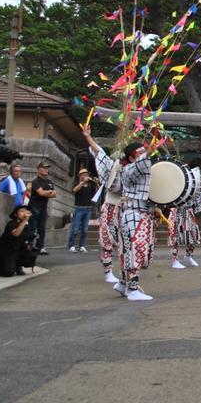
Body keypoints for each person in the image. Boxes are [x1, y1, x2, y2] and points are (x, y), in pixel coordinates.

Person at [82, 126, 156, 302]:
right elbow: (137, 164)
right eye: (141, 152)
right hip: (134, 215)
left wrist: (88, 137)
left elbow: (100, 154)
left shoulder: (129, 168)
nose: (145, 154)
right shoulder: (131, 169)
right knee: (134, 250)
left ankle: (123, 283)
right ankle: (132, 288)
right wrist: (148, 153)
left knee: (126, 250)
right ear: (132, 157)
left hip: (129, 213)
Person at [169, 172, 201, 269]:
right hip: (176, 211)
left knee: (193, 236)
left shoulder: (192, 183)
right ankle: (174, 260)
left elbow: (200, 190)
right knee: (175, 238)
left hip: (189, 212)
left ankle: (189, 255)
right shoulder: (173, 183)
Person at [0, 205, 38, 277]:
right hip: (8, 251)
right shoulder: (11, 224)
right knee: (7, 273)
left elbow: (27, 239)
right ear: (15, 214)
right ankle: (3, 264)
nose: (24, 213)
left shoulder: (26, 227)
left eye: (26, 212)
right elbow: (16, 234)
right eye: (21, 211)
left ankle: (18, 265)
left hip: (18, 250)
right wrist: (25, 221)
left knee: (32, 254)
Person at [28, 161, 57, 255]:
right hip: (33, 207)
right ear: (39, 169)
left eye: (47, 168)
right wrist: (49, 192)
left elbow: (55, 194)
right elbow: (41, 193)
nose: (46, 170)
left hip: (43, 208)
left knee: (42, 228)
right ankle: (30, 246)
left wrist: (46, 192)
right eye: (44, 168)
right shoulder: (35, 181)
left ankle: (40, 247)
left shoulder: (49, 182)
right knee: (32, 229)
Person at [67, 169, 98, 253]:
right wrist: (82, 183)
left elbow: (97, 192)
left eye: (86, 174)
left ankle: (82, 246)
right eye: (84, 174)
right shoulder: (77, 184)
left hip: (88, 209)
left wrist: (96, 182)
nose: (86, 176)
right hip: (79, 209)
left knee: (85, 229)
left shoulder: (90, 186)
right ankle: (71, 245)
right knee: (75, 228)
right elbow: (74, 190)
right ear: (80, 176)